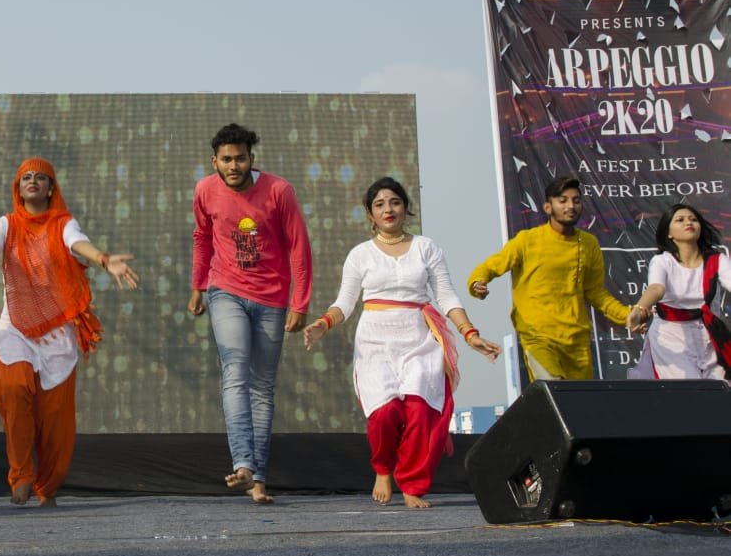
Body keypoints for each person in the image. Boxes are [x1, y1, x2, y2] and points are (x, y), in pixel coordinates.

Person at [0, 157, 138, 508]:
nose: (33, 181)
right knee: (12, 388)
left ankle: (47, 486)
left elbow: (77, 242)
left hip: (57, 331)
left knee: (55, 424)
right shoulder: (7, 224)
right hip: (16, 326)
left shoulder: (63, 223)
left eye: (40, 177)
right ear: (18, 187)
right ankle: (22, 475)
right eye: (26, 177)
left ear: (50, 188)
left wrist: (104, 259)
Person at [304, 177, 500, 509]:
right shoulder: (360, 254)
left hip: (418, 337)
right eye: (379, 204)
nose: (388, 209)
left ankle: (412, 484)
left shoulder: (426, 248)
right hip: (375, 340)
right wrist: (324, 323)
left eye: (394, 202)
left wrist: (470, 334)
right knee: (384, 411)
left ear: (406, 208)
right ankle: (383, 469)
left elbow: (446, 296)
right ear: (370, 215)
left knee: (421, 409)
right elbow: (345, 303)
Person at [189, 123, 312, 505]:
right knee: (235, 370)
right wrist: (198, 285)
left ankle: (257, 477)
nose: (233, 166)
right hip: (225, 290)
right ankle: (242, 462)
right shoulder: (205, 190)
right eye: (226, 159)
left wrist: (300, 302)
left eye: (240, 158)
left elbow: (299, 246)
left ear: (251, 159)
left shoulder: (278, 191)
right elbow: (202, 237)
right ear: (214, 161)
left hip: (272, 298)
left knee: (262, 387)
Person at [467, 176, 630, 383]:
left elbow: (596, 292)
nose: (570, 206)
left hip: (576, 341)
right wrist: (477, 283)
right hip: (538, 336)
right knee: (553, 388)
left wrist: (627, 315)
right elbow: (490, 266)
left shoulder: (589, 244)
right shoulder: (527, 240)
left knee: (577, 400)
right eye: (563, 201)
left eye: (576, 201)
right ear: (547, 207)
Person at [627, 204, 731, 379]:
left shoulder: (717, 260)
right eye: (680, 220)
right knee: (688, 388)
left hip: (709, 335)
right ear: (669, 233)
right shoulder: (662, 261)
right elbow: (656, 288)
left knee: (719, 387)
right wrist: (639, 309)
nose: (688, 223)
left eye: (693, 219)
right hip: (671, 337)